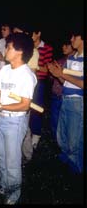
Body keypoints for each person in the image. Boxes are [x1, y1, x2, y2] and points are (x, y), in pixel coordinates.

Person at [0, 32, 36, 205]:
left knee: (12, 160)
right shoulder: (5, 70)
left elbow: (24, 104)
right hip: (1, 118)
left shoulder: (27, 76)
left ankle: (14, 195)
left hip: (15, 122)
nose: (5, 50)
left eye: (8, 47)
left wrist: (0, 106)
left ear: (19, 51)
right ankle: (4, 184)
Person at [47, 30, 84, 174]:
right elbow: (66, 82)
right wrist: (58, 74)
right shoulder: (72, 58)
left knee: (75, 140)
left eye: (75, 36)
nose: (71, 39)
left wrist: (62, 74)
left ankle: (76, 172)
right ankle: (68, 166)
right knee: (63, 135)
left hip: (77, 102)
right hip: (65, 98)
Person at [23, 28, 53, 162]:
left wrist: (33, 67)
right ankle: (27, 138)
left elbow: (46, 69)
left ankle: (36, 136)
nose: (30, 36)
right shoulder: (26, 46)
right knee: (25, 108)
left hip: (39, 81)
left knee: (35, 108)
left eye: (32, 34)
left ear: (39, 33)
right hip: (26, 80)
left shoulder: (46, 48)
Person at [49, 40, 75, 140]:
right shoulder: (59, 61)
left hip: (67, 98)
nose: (63, 47)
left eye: (66, 45)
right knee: (54, 122)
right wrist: (51, 71)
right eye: (63, 45)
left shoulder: (75, 63)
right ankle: (57, 145)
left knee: (67, 124)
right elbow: (51, 79)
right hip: (55, 95)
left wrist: (59, 74)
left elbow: (69, 83)